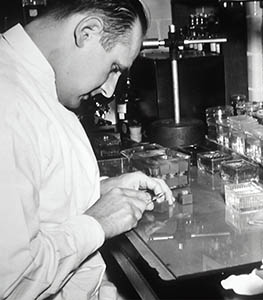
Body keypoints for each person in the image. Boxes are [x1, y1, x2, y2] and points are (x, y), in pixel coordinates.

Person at [0, 0, 174, 299]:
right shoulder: (9, 102)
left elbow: (37, 204)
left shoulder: (36, 85)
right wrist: (98, 222)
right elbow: (14, 283)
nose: (109, 89)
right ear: (88, 32)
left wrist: (100, 191)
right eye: (114, 68)